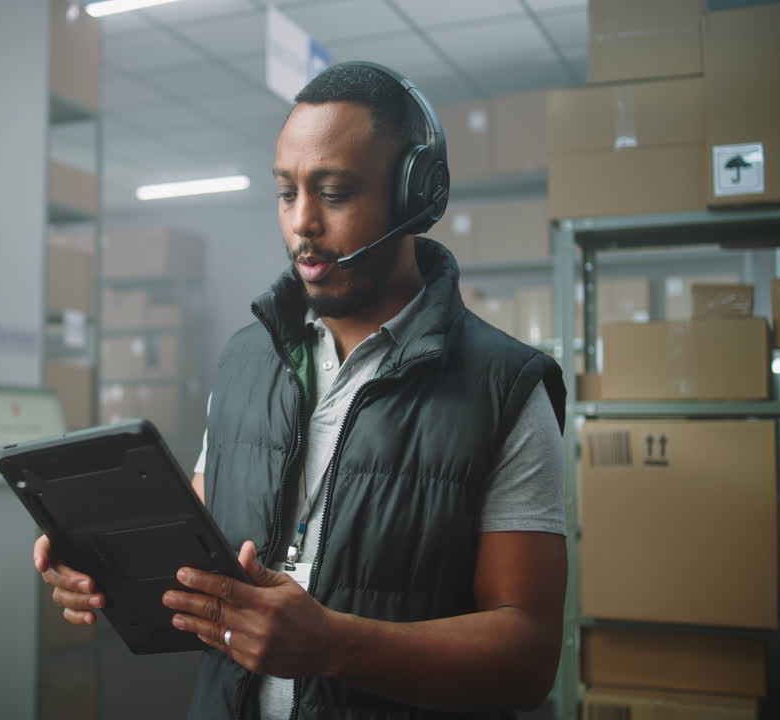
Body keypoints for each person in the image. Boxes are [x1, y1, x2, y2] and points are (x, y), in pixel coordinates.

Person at [34, 61, 568, 720]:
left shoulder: (504, 389)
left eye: (335, 193)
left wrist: (335, 645)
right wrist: (105, 563)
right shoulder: (243, 362)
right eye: (287, 193)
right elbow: (195, 552)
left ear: (415, 197)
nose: (302, 223)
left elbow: (529, 657)